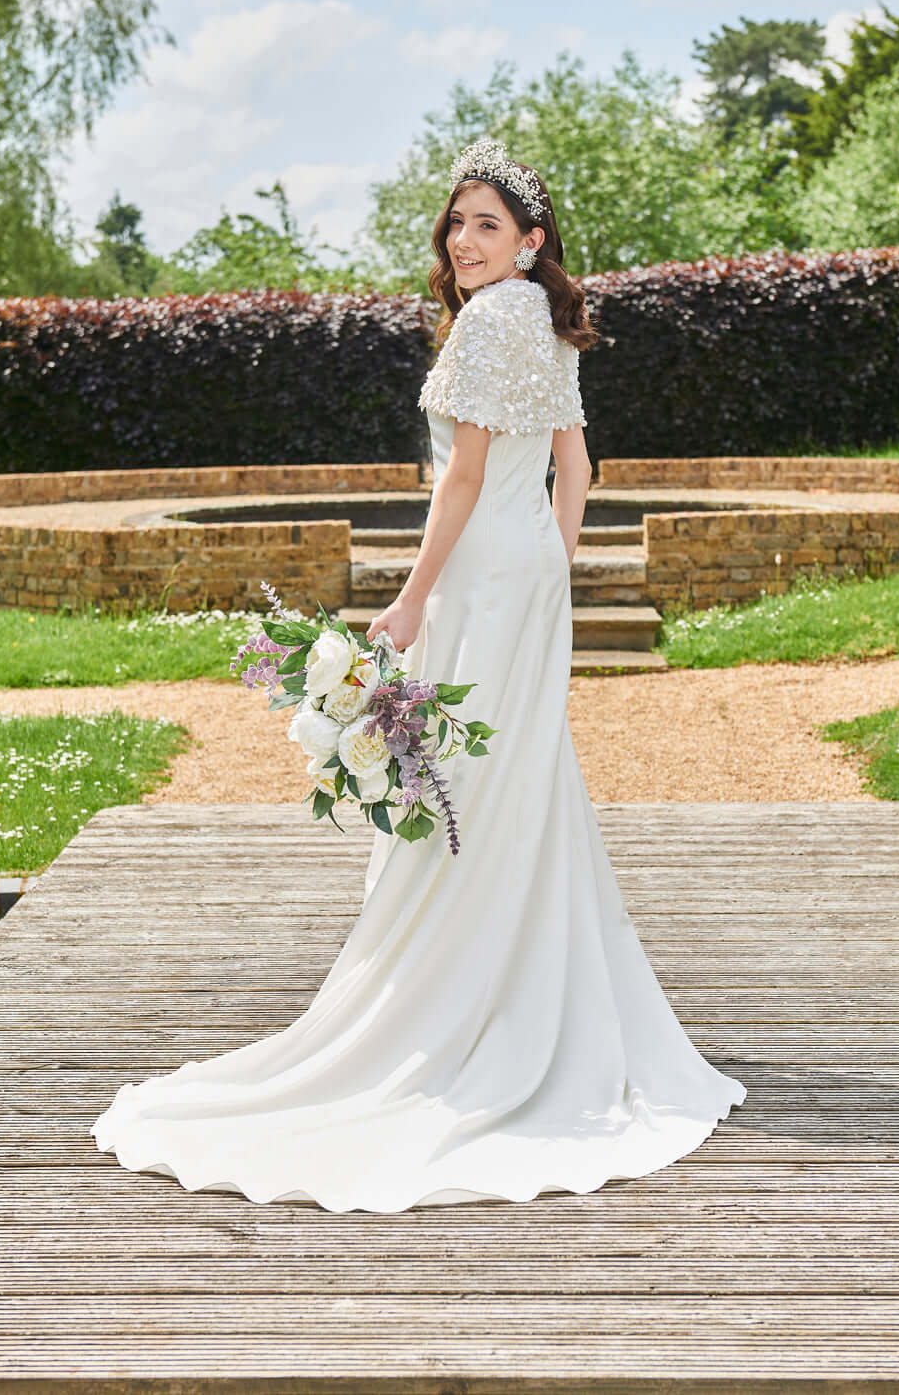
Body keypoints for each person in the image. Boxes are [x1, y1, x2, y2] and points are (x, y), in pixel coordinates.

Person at [91, 138, 746, 1212]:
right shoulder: (549, 318)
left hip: (483, 576)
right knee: (514, 771)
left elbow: (466, 477)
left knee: (469, 774)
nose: (464, 240)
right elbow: (574, 467)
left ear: (530, 241)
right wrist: (552, 559)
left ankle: (454, 994)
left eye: (487, 224)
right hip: (526, 571)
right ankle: (519, 980)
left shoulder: (493, 321)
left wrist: (408, 595)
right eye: (456, 224)